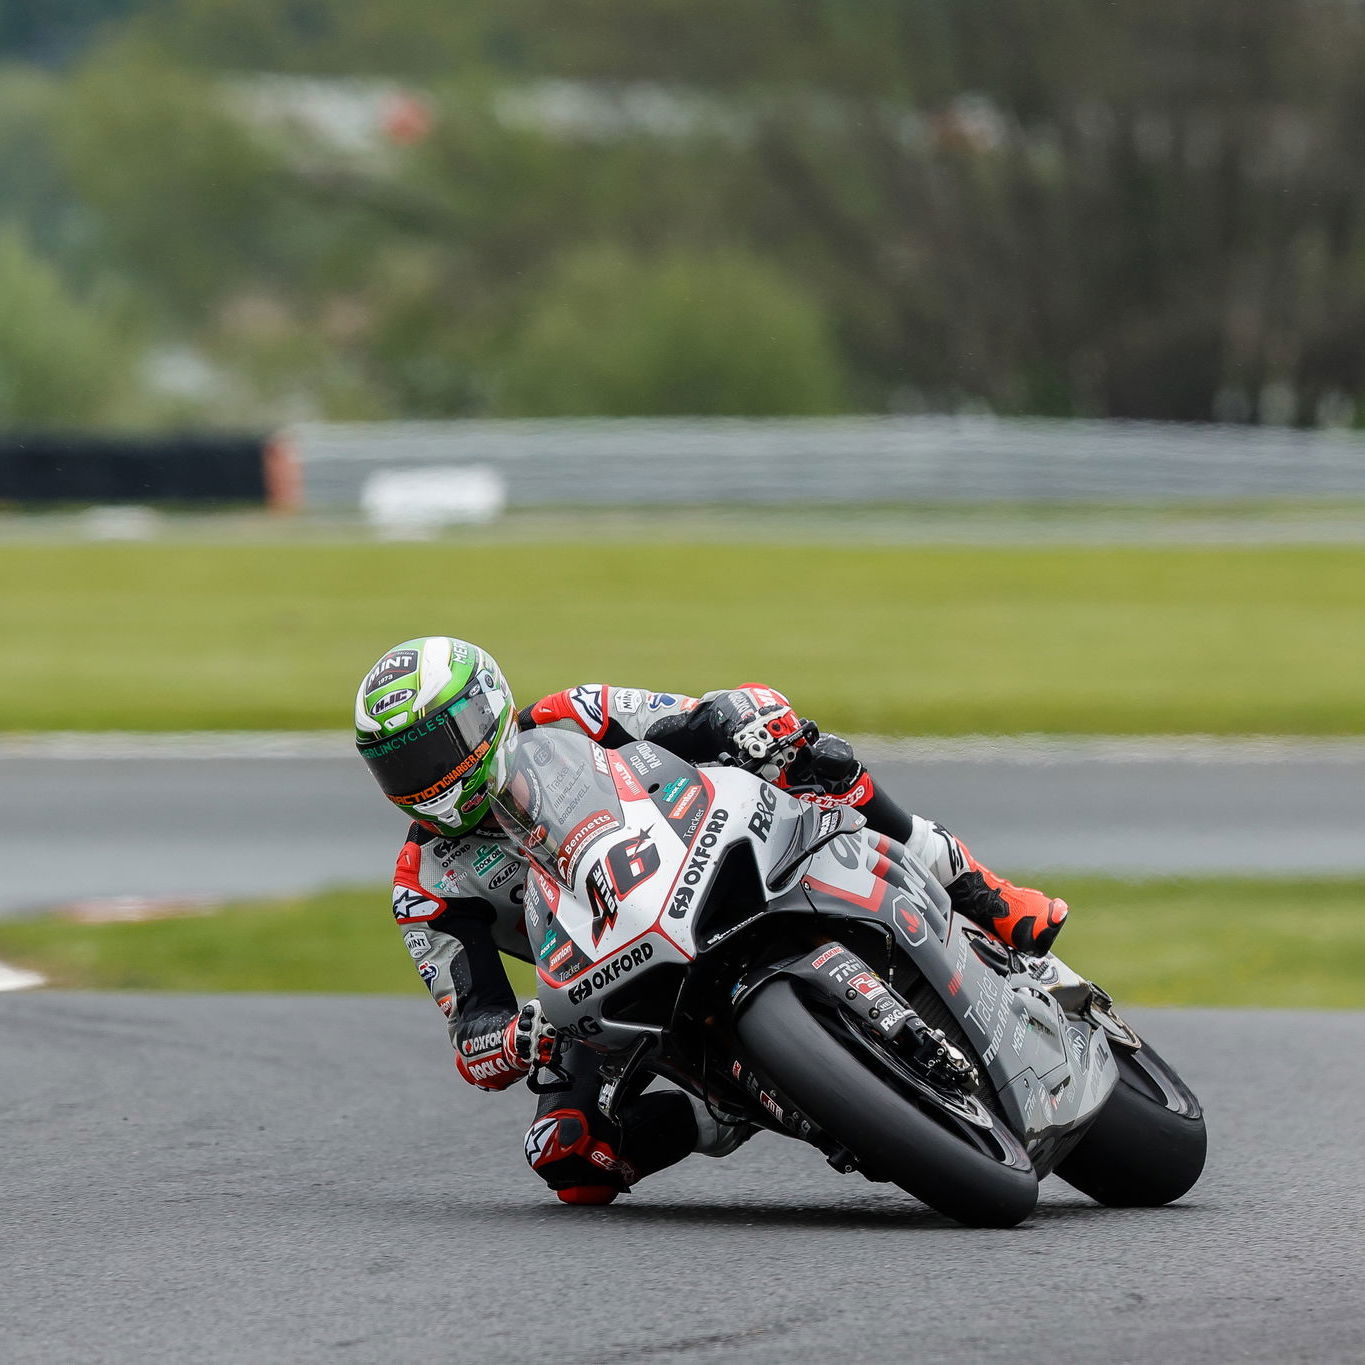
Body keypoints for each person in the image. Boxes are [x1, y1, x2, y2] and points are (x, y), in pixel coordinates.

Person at [355, 635, 1069, 1205]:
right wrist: (518, 1036)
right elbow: (472, 1030)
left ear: (484, 711)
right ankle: (732, 1109)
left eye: (431, 748)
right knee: (568, 1155)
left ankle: (986, 894)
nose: (424, 777)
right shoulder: (425, 882)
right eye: (398, 766)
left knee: (819, 761)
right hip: (600, 974)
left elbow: (694, 718)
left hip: (694, 853)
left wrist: (745, 719)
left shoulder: (571, 713)